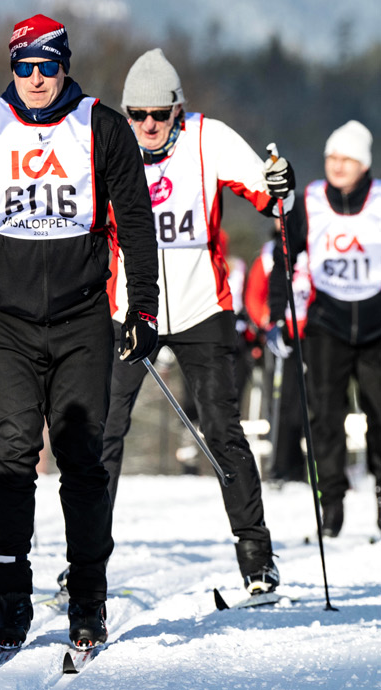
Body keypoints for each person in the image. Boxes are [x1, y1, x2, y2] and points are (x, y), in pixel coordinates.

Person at [0, 15, 160, 651]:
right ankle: (12, 598)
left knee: (82, 461)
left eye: (46, 66)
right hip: (6, 322)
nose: (33, 79)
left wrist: (144, 309)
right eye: (22, 66)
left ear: (64, 64)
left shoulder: (102, 126)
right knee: (11, 459)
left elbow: (137, 221)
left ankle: (88, 601)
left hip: (84, 318)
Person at [102, 48, 290, 594]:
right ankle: (87, 556)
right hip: (129, 308)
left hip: (200, 305)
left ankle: (256, 554)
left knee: (222, 430)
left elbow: (270, 195)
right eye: (137, 114)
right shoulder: (110, 145)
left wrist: (281, 186)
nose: (149, 125)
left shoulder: (209, 137)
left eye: (160, 114)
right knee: (105, 433)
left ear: (178, 110)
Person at [271, 120, 381, 537]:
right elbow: (284, 255)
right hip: (326, 323)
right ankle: (330, 504)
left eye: (347, 159)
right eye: (332, 157)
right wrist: (282, 314)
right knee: (325, 419)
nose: (338, 165)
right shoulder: (311, 200)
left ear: (363, 164)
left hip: (376, 325)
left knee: (380, 416)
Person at [244, 227, 311, 484]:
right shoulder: (268, 255)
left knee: (317, 403)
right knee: (284, 404)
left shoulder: (312, 246)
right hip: (284, 336)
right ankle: (284, 466)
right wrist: (268, 324)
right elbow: (254, 295)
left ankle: (317, 467)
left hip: (316, 332)